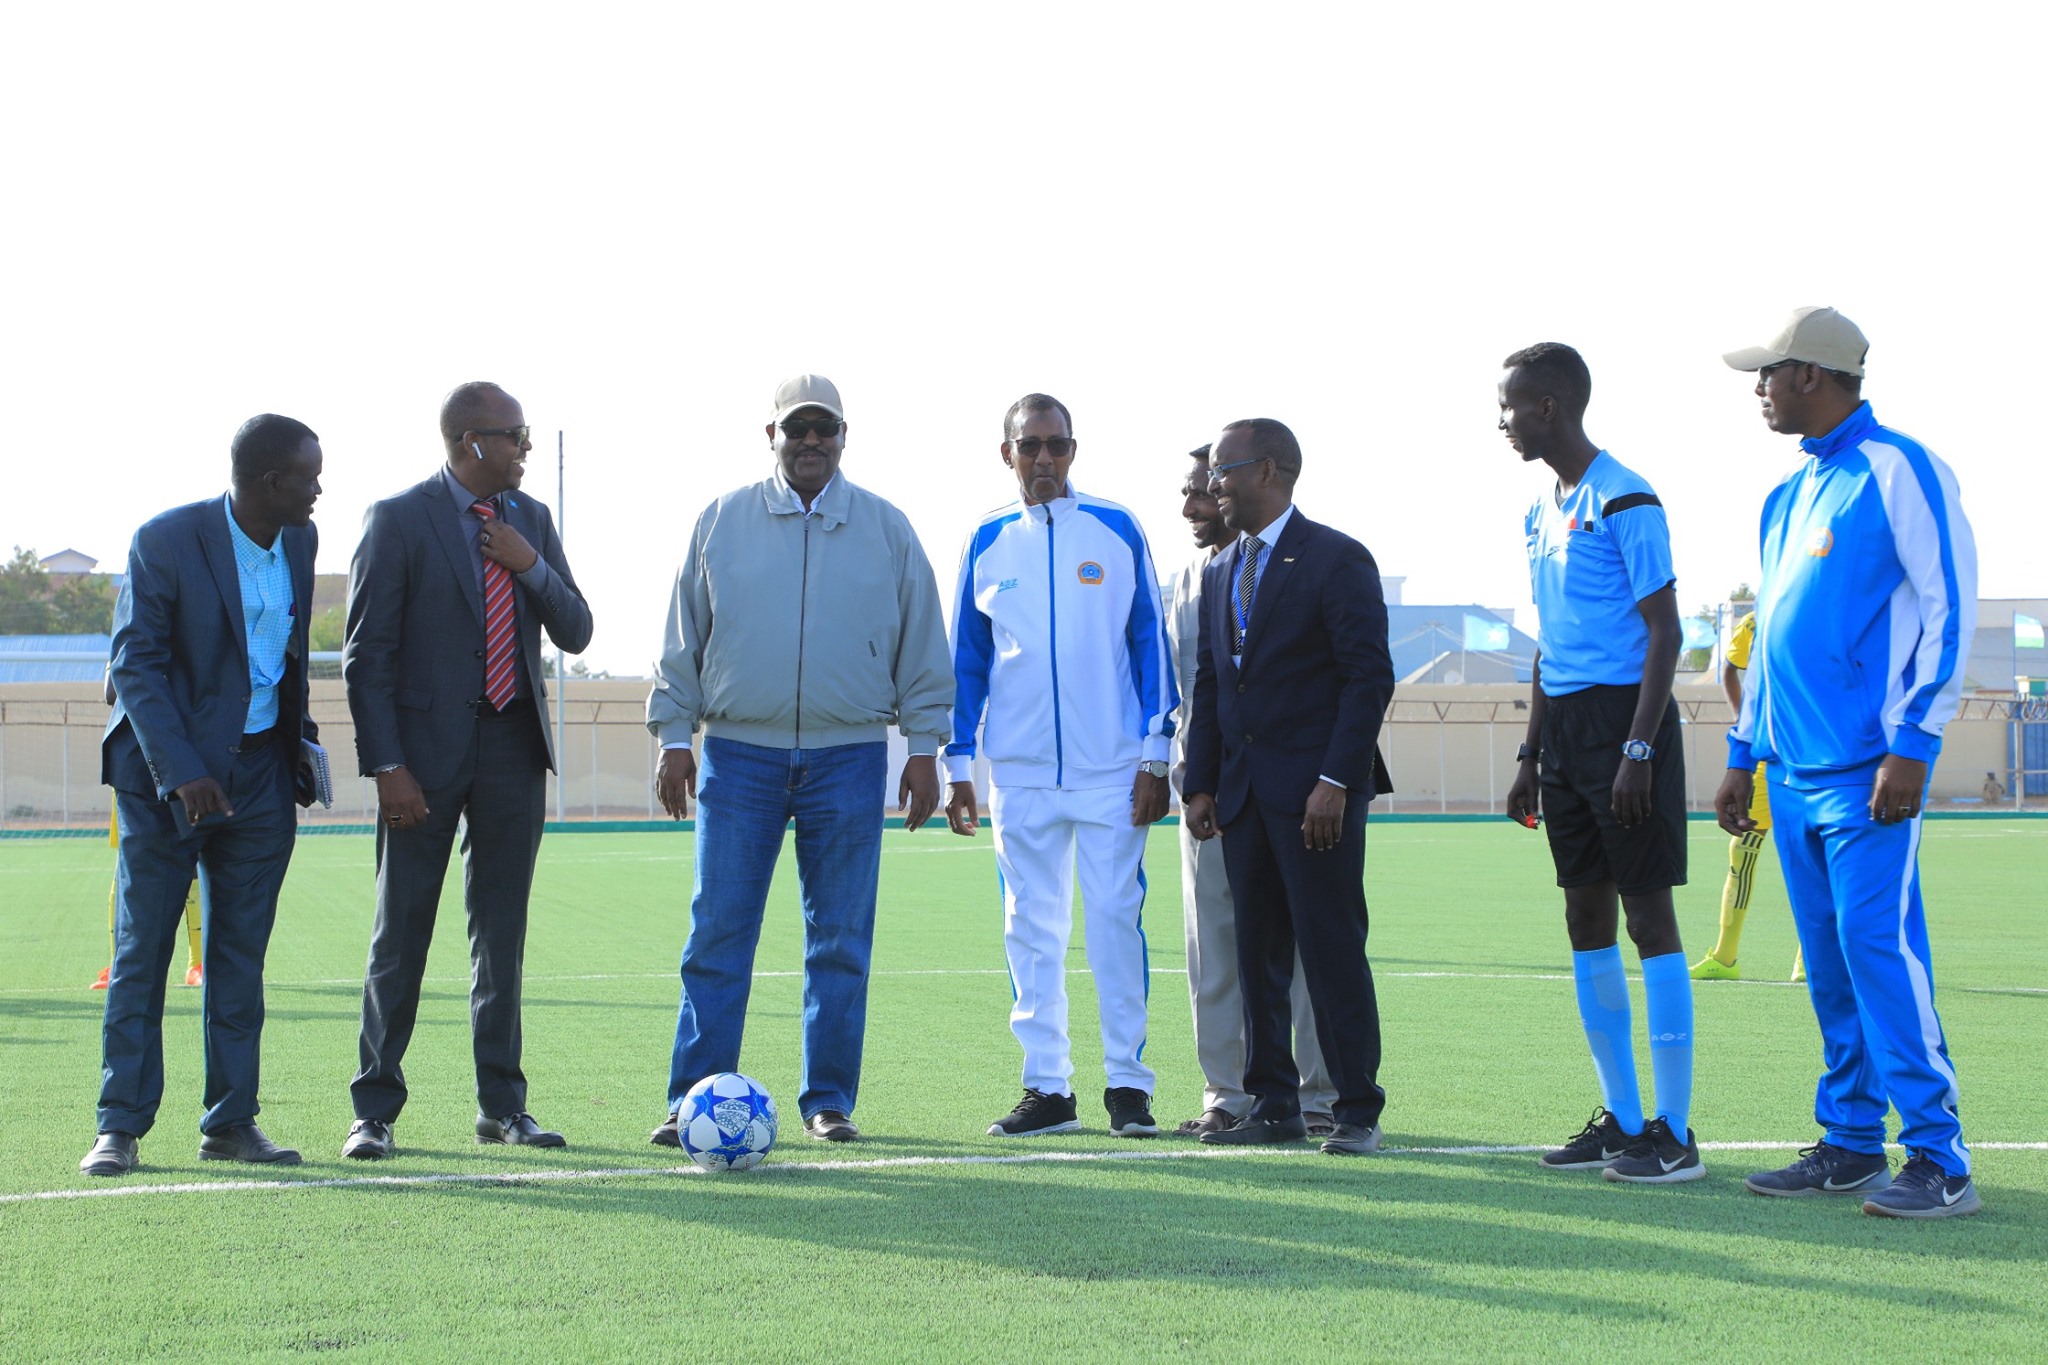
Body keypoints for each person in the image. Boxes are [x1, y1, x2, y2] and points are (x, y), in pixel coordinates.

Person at [1719, 306, 1981, 1218]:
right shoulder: (1787, 495)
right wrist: (1743, 752)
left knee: (1878, 948)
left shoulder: (1901, 468)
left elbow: (1951, 606)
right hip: (1790, 774)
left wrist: (1915, 742)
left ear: (1812, 374)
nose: (1759, 389)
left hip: (1872, 769)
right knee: (1829, 964)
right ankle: (1851, 1141)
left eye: (1769, 373)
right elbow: (1768, 640)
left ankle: (1940, 1156)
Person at [648, 374, 953, 1146]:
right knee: (718, 930)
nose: (811, 440)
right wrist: (674, 736)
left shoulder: (887, 527)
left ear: (845, 436)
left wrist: (923, 748)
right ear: (772, 436)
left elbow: (924, 641)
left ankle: (829, 1099)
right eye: (797, 428)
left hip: (850, 754)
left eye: (825, 428)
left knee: (841, 937)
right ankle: (692, 1096)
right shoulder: (722, 520)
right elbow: (683, 634)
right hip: (738, 754)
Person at [340, 382, 593, 1160]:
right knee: (401, 932)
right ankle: (374, 1109)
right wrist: (387, 765)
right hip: (421, 762)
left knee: (502, 936)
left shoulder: (531, 520)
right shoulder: (397, 519)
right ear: (466, 442)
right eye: (513, 434)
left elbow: (577, 628)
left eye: (525, 432)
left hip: (514, 751)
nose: (525, 446)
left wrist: (530, 565)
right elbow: (366, 656)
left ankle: (503, 1106)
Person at [82, 413, 324, 1176]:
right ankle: (120, 1125)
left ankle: (230, 1121)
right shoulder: (165, 540)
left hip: (260, 780)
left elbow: (285, 658)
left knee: (238, 958)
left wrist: (298, 745)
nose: (320, 490)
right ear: (269, 481)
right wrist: (183, 770)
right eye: (309, 477)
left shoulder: (301, 540)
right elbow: (136, 663)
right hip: (168, 782)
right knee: (143, 950)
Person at [944, 393, 1176, 1139]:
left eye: (1058, 445)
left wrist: (1156, 750)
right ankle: (1047, 1087)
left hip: (1113, 771)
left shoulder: (1115, 527)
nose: (1044, 458)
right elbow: (966, 659)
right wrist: (956, 763)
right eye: (1030, 445)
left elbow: (1150, 641)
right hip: (1020, 773)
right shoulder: (987, 539)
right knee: (1030, 930)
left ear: (1074, 450)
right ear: (1006, 453)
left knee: (1113, 922)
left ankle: (1128, 1086)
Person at [1499, 342, 1703, 1185]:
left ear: (1548, 407)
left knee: (1648, 920)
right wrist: (1530, 751)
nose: (1502, 420)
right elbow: (1550, 643)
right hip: (1566, 735)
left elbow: (1666, 631)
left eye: (1510, 405)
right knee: (1585, 916)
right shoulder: (1537, 511)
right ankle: (1621, 1118)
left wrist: (1638, 749)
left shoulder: (1627, 495)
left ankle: (1675, 1132)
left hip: (1628, 726)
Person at [1181, 418, 1396, 1157]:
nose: (1212, 485)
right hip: (1242, 798)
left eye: (1222, 471)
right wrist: (1201, 784)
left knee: (1331, 948)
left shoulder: (1337, 558)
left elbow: (1368, 679)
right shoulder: (1220, 572)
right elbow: (1214, 684)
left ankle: (1356, 1107)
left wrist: (1335, 780)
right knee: (1257, 955)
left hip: (1317, 800)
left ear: (1267, 470)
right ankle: (1273, 1103)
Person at [1165, 445, 1338, 1138]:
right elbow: (1188, 692)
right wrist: (1188, 779)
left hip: (1293, 789)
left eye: (1205, 489)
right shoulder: (1188, 579)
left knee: (1305, 948)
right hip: (1209, 790)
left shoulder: (1312, 562)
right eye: (1189, 491)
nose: (1193, 506)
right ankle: (1229, 1094)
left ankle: (1318, 1094)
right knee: (1212, 945)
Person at [1691, 611, 1803, 983]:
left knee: (1810, 856)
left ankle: (1809, 960)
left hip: (1811, 756)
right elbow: (1729, 670)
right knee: (1743, 854)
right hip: (1765, 758)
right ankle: (1725, 958)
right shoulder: (1754, 621)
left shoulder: (1819, 608)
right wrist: (1745, 722)